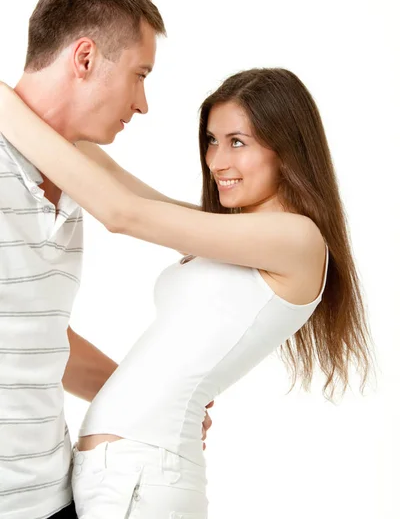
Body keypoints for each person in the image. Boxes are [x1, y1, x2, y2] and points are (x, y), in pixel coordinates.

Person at [0, 67, 372, 518]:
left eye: (238, 141)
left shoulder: (297, 240)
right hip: (122, 476)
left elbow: (124, 213)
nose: (217, 162)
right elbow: (109, 177)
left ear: (287, 146)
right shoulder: (237, 234)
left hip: (145, 480)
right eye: (212, 141)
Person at [0, 0, 213, 519]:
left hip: (53, 497)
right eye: (140, 74)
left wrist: (148, 398)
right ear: (86, 58)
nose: (143, 103)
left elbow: (40, 340)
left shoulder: (78, 176)